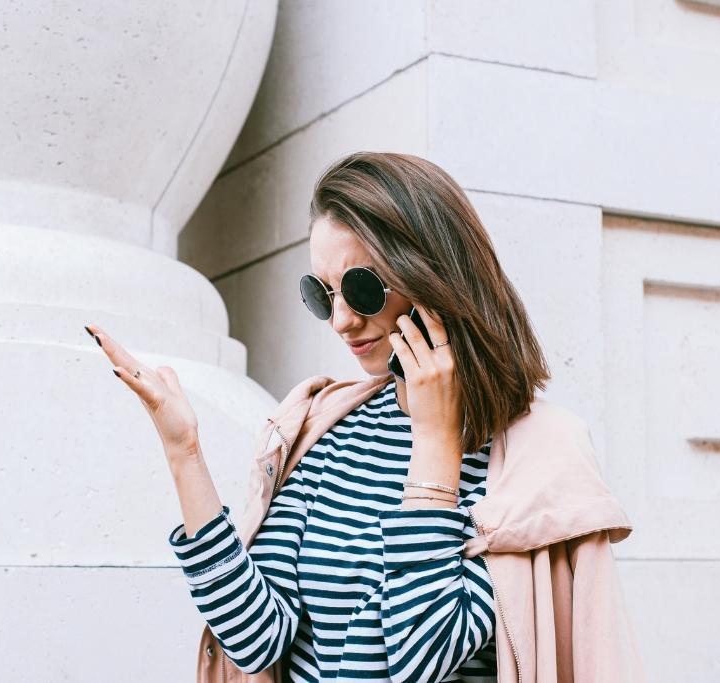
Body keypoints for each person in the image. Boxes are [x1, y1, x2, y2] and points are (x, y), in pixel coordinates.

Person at [85, 151, 643, 682]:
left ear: (436, 275)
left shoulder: (533, 459)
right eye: (322, 294)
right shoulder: (327, 428)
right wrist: (184, 453)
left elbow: (422, 655)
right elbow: (257, 637)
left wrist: (434, 440)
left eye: (361, 288)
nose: (341, 321)